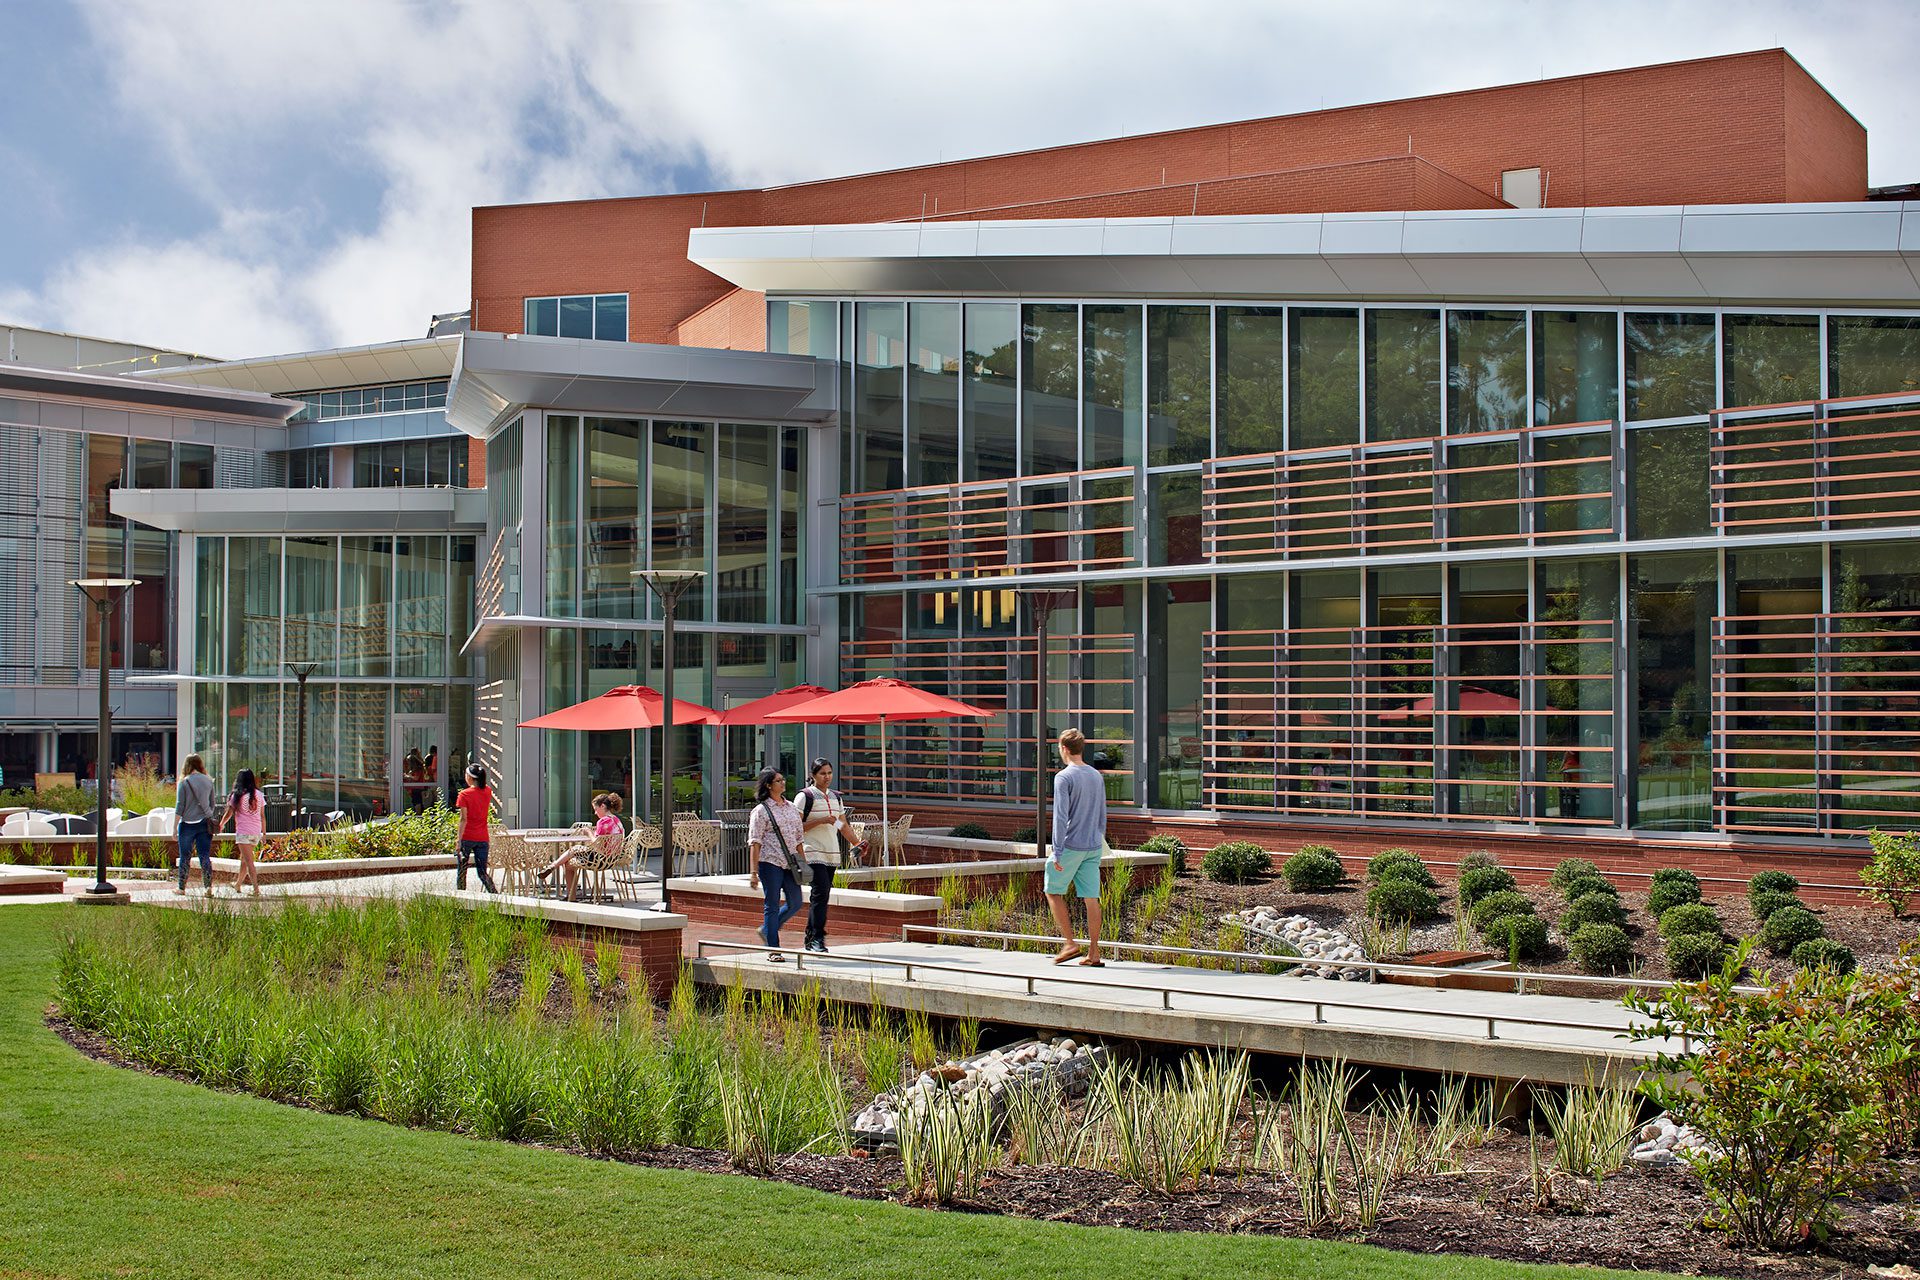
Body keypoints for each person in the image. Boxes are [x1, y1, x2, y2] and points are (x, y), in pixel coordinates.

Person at [1045, 727, 1107, 966]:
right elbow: (1102, 814)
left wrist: (1057, 851)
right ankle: (1094, 952)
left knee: (1052, 890)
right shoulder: (1095, 775)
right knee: (1091, 898)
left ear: (1064, 749)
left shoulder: (1064, 777)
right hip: (1093, 845)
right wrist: (1098, 836)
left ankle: (1070, 943)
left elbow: (1060, 817)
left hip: (1071, 844)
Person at [797, 758, 864, 954]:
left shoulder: (836, 798)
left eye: (829, 773)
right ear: (813, 775)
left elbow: (842, 825)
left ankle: (811, 937)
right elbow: (795, 827)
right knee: (821, 891)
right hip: (812, 850)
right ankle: (817, 938)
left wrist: (857, 843)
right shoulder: (804, 797)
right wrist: (821, 820)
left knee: (822, 895)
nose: (827, 777)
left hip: (832, 852)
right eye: (822, 773)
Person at [747, 768, 805, 961]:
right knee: (771, 905)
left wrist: (803, 864)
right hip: (769, 862)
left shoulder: (790, 808)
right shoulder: (761, 811)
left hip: (790, 863)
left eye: (783, 780)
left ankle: (766, 929)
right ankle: (773, 949)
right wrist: (753, 872)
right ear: (768, 785)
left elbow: (798, 839)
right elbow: (755, 842)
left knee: (796, 902)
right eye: (778, 781)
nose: (783, 783)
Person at [538, 792, 622, 901]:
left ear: (603, 806)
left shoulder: (603, 821)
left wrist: (588, 833)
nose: (595, 813)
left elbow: (597, 843)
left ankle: (554, 867)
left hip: (600, 859)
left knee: (574, 850)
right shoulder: (616, 820)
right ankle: (554, 869)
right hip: (613, 859)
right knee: (568, 863)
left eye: (596, 809)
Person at [215, 767, 265, 897]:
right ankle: (238, 884)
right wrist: (264, 833)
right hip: (255, 832)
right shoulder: (259, 795)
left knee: (249, 861)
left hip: (244, 832)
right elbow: (262, 815)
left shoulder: (237, 795)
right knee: (244, 859)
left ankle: (256, 889)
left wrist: (221, 825)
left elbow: (229, 813)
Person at [174, 754, 217, 895]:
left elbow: (180, 806)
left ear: (187, 765)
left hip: (187, 824)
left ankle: (181, 887)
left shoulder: (184, 783)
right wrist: (207, 813)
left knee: (185, 856)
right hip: (204, 823)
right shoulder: (208, 781)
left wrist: (174, 828)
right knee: (204, 855)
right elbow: (212, 804)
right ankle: (208, 887)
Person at [454, 763, 498, 894]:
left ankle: (461, 899)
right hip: (483, 837)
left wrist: (458, 840)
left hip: (467, 836)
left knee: (462, 871)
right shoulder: (488, 791)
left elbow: (463, 819)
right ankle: (496, 897)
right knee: (482, 872)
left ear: (470, 777)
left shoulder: (464, 794)